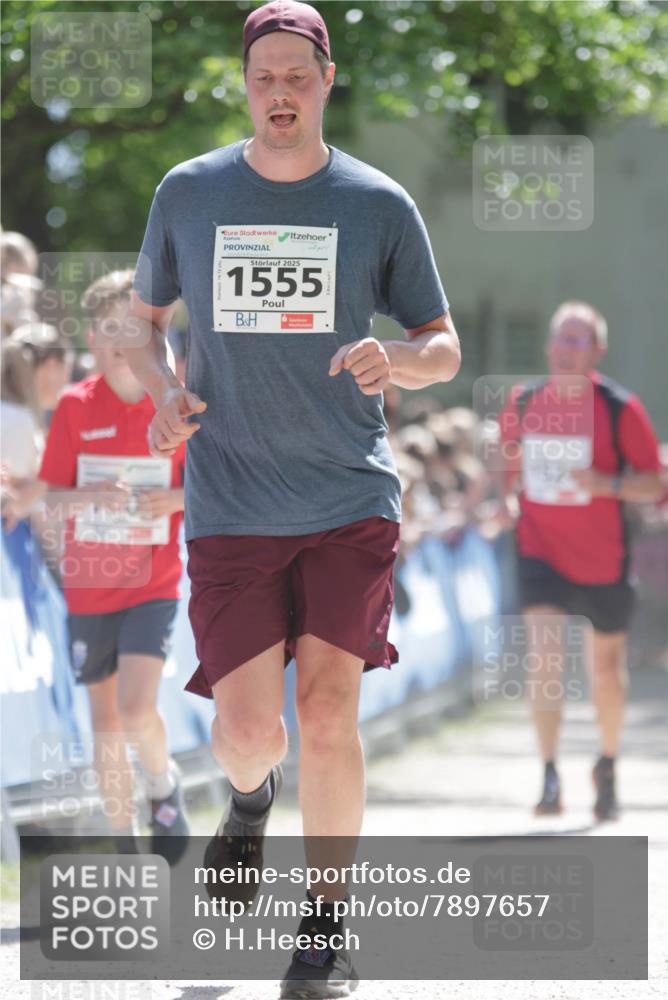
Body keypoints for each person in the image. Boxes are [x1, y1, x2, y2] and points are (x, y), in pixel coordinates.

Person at [127, 2, 460, 995]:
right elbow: (143, 323)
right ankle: (246, 800)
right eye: (263, 75)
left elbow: (442, 349)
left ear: (326, 80)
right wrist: (161, 395)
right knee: (247, 733)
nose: (280, 91)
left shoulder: (376, 202)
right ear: (245, 83)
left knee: (325, 711)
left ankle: (322, 934)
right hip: (231, 497)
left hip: (347, 497)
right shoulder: (188, 193)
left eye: (296, 76)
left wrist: (395, 358)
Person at [37, 270, 190, 857]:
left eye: (131, 328)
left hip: (153, 580)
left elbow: (213, 491)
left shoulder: (176, 402)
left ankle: (162, 783)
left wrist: (172, 499)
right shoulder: (75, 406)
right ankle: (125, 843)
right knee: (104, 720)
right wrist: (88, 498)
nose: (121, 341)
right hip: (88, 587)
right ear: (94, 341)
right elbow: (49, 494)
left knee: (135, 707)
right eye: (108, 331)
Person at [498, 301, 663, 821]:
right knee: (545, 657)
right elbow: (507, 465)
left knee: (605, 672)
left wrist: (606, 485)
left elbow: (655, 482)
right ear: (549, 347)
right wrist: (504, 500)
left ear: (597, 351)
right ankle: (549, 772)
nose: (566, 349)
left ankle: (607, 762)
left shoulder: (619, 407)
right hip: (540, 548)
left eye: (578, 341)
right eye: (560, 339)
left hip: (604, 559)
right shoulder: (523, 402)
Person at [1, 323, 71, 533]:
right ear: (51, 365)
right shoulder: (16, 419)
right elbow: (14, 500)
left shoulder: (16, 415)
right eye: (64, 370)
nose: (65, 381)